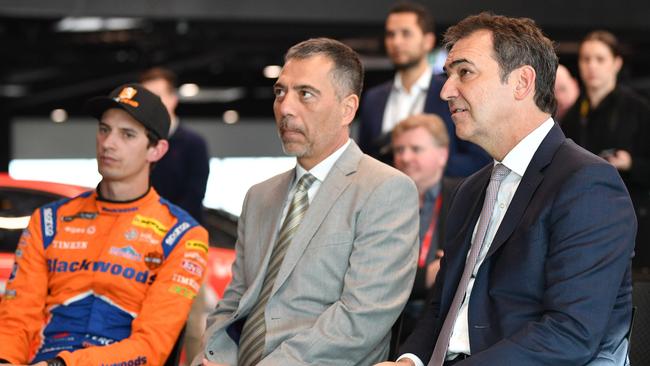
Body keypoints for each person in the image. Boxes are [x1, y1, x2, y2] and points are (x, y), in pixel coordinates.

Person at [377, 13, 635, 366]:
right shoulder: (471, 190)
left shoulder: (588, 184)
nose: (446, 90)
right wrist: (408, 361)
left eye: (464, 72)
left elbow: (569, 333)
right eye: (448, 74)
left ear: (521, 83)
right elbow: (441, 309)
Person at [197, 38, 419, 366]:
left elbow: (360, 320)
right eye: (280, 92)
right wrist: (215, 356)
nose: (286, 108)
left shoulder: (385, 190)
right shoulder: (260, 196)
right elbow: (236, 299)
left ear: (348, 108)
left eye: (305, 94)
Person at [0, 84, 209, 365]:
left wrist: (62, 365)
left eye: (127, 134)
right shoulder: (48, 221)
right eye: (104, 129)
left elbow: (151, 347)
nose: (109, 143)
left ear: (156, 150)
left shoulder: (183, 236)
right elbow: (16, 317)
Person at [358, 1, 489, 176]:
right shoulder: (373, 98)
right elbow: (364, 157)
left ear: (428, 41)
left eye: (406, 33)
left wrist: (427, 166)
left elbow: (478, 159)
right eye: (390, 34)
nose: (396, 42)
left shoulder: (452, 92)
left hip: (442, 198)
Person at [561, 30, 650, 273]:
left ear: (616, 63)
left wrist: (631, 164)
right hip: (584, 222)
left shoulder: (639, 110)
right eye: (585, 59)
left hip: (632, 219)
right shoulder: (570, 117)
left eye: (600, 59)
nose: (591, 66)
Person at [391, 114, 459, 341]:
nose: (405, 157)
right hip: (391, 326)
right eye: (399, 150)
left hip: (444, 329)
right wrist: (426, 277)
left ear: (442, 154)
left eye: (416, 149)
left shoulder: (466, 197)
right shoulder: (382, 203)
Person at [140, 67, 210, 224]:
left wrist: (161, 222)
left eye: (157, 97)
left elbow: (194, 195)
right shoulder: (137, 142)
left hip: (184, 231)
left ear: (173, 99)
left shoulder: (194, 143)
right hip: (140, 230)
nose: (151, 104)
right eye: (146, 98)